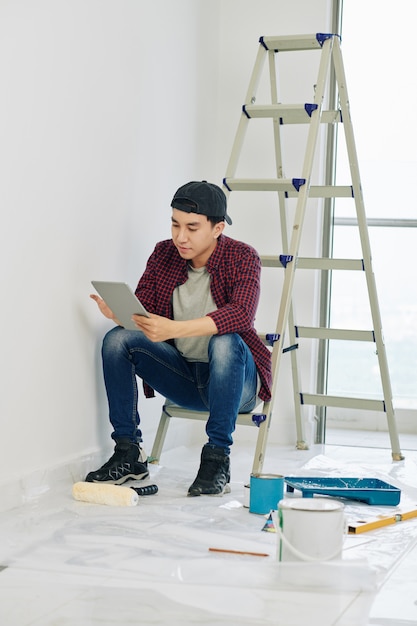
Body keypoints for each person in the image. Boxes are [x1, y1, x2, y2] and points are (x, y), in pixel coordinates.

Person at [86, 180, 272, 496]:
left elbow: (241, 315)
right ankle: (129, 453)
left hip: (235, 385)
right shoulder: (164, 254)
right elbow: (144, 312)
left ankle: (216, 459)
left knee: (225, 340)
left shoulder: (242, 257)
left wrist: (173, 329)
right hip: (184, 379)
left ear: (217, 228)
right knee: (117, 339)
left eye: (192, 227)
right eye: (175, 224)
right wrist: (119, 314)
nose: (180, 237)